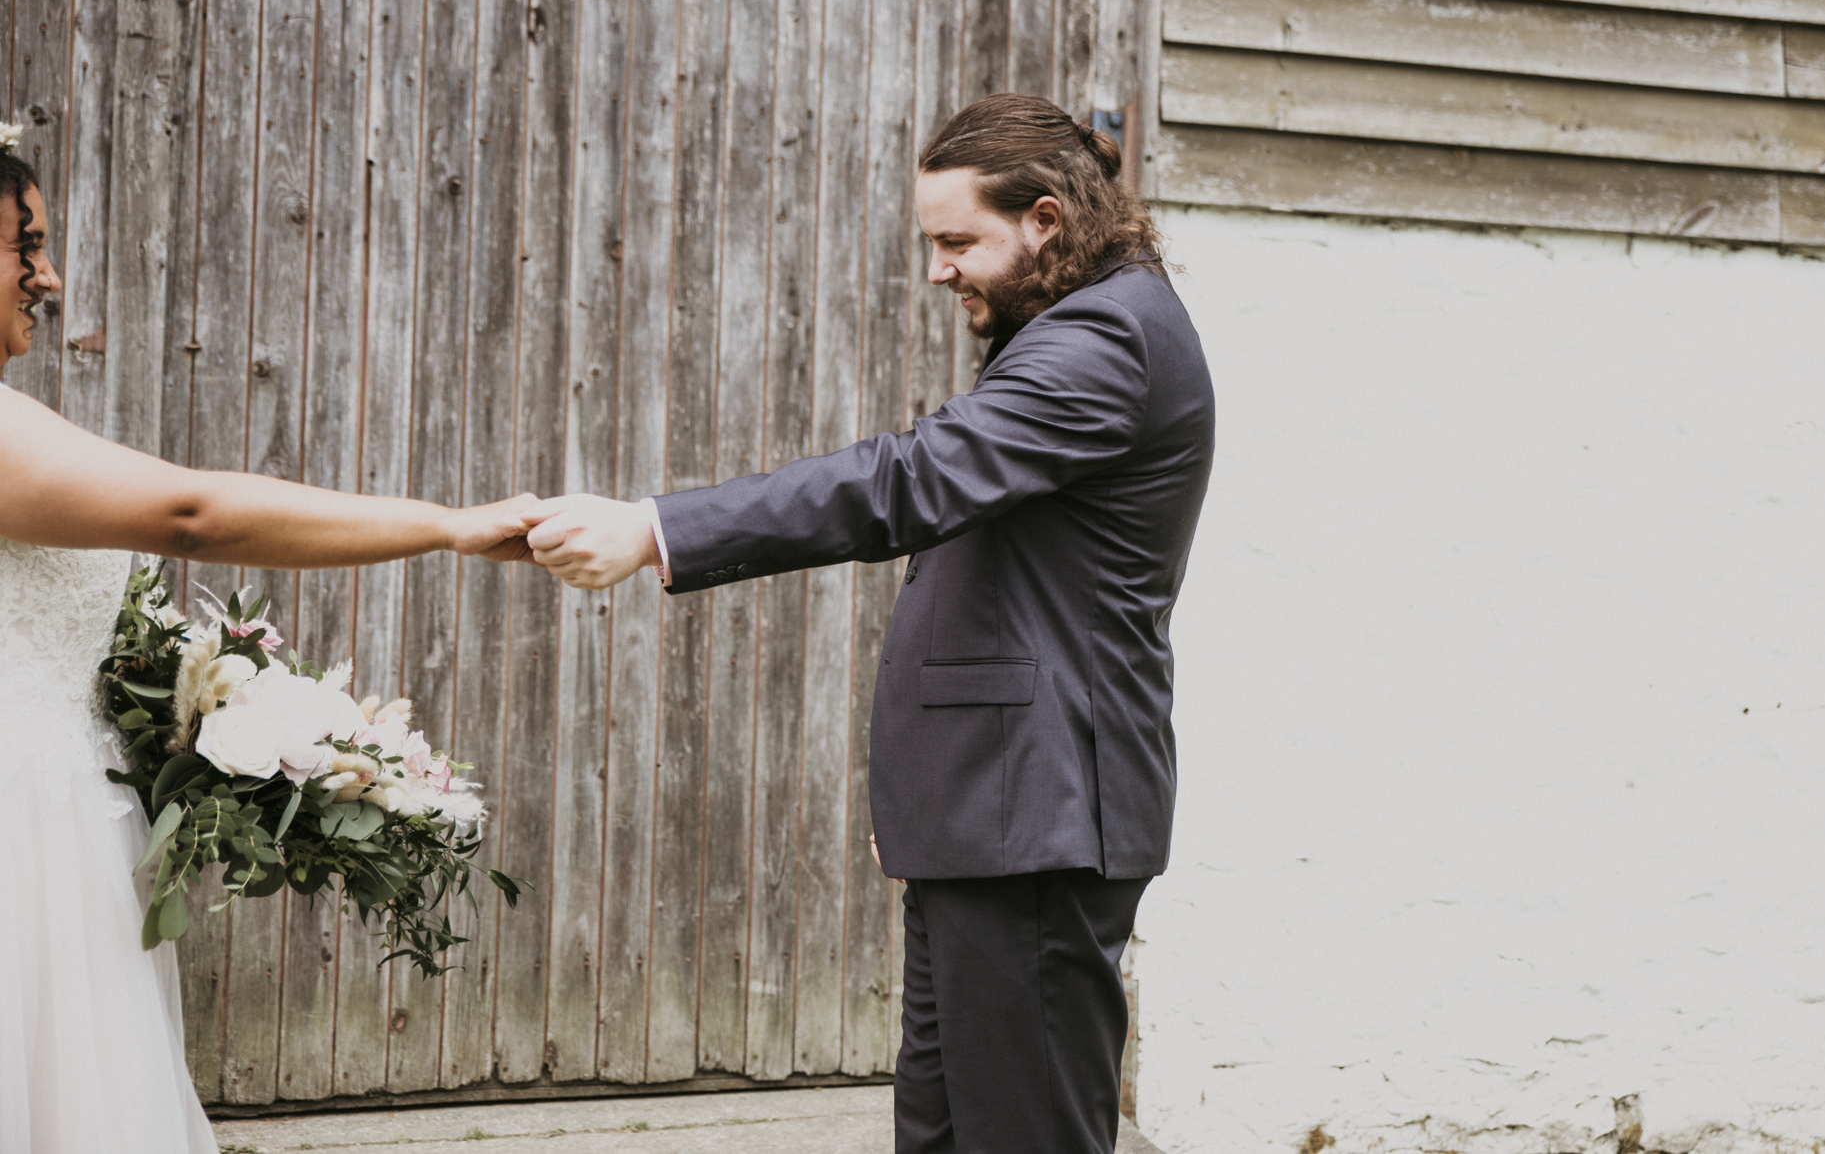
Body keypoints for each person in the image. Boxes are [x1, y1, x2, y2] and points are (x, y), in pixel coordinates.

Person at [518, 93, 1216, 1154]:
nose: (936, 268)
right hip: (990, 815)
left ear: (1043, 221)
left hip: (1035, 815)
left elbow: (908, 481)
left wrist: (656, 530)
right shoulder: (1078, 321)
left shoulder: (1106, 338)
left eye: (954, 241)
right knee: (940, 1134)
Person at [0, 127, 536, 1154]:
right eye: (27, 244)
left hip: (54, 822)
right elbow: (191, 514)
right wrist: (448, 525)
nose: (50, 276)